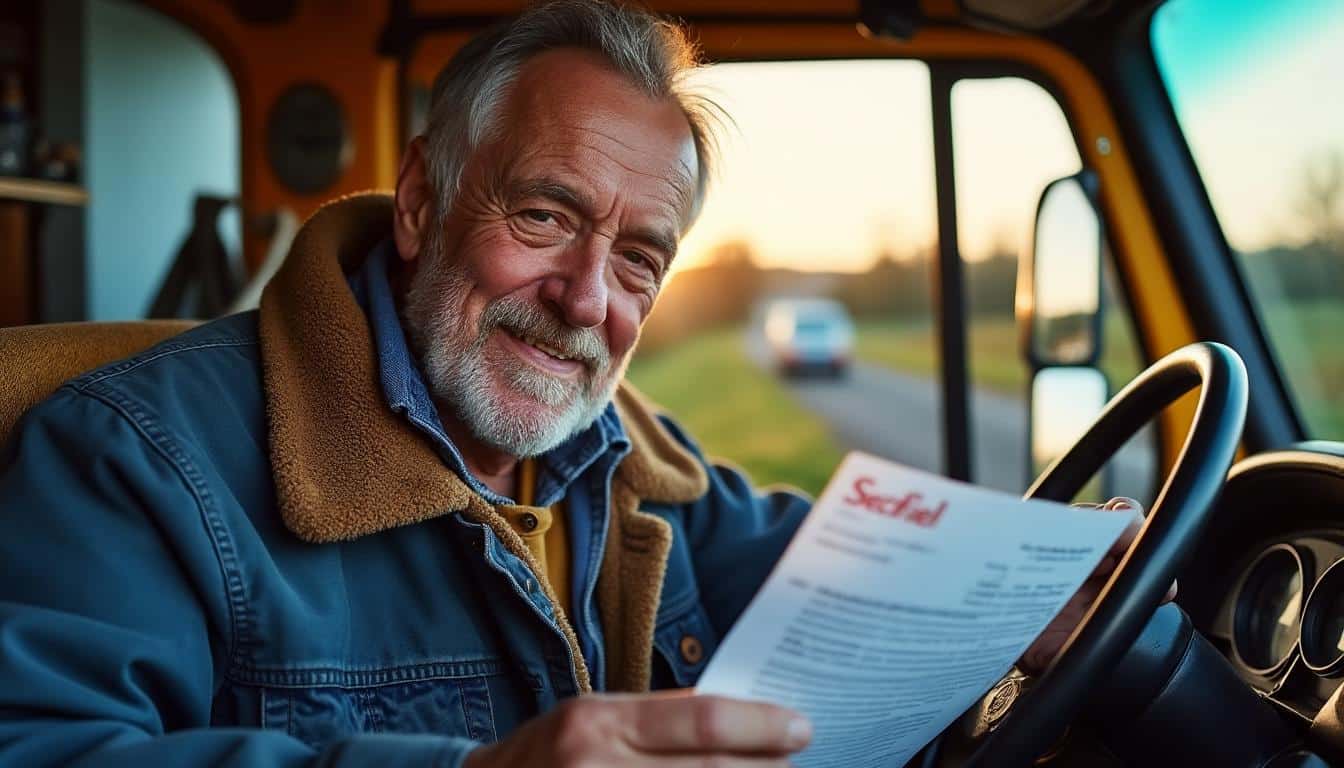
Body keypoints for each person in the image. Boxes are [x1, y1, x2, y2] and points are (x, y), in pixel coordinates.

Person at [0, 2, 1152, 766]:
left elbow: (822, 561)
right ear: (420, 205)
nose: (586, 296)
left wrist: (1020, 587)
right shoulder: (134, 454)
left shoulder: (621, 452)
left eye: (640, 258)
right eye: (546, 215)